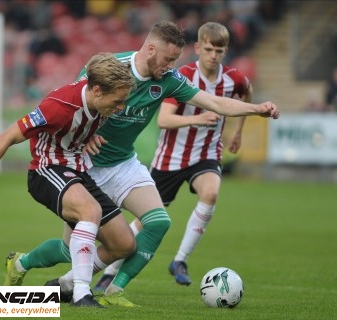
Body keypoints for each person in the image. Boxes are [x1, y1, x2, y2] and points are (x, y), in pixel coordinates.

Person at [9, 20, 280, 308]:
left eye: (176, 59)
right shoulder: (112, 69)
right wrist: (86, 137)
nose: (172, 65)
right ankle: (23, 263)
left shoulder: (169, 80)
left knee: (159, 221)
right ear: (150, 49)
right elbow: (78, 104)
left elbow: (213, 102)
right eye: (168, 59)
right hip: (85, 167)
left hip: (124, 164)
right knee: (68, 249)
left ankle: (114, 290)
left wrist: (256, 109)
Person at [0, 53, 137, 308]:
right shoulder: (59, 106)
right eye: (117, 102)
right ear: (96, 90)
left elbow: (85, 124)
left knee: (124, 244)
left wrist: (87, 137)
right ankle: (82, 294)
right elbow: (8, 136)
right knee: (90, 211)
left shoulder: (102, 100)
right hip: (45, 170)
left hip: (78, 172)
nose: (120, 108)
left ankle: (48, 278)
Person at [93, 21, 251, 288]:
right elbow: (164, 120)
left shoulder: (229, 78)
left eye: (219, 50)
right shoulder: (178, 76)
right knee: (94, 234)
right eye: (209, 49)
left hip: (205, 155)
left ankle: (178, 260)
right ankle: (95, 277)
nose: (214, 55)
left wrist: (244, 124)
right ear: (199, 48)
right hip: (169, 158)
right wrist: (197, 120)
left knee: (207, 194)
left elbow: (244, 93)